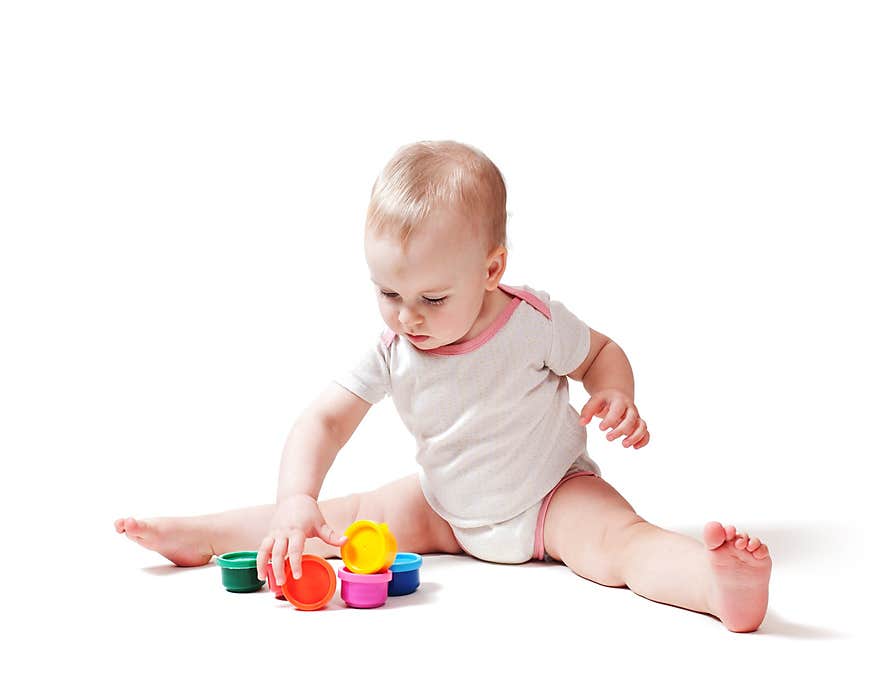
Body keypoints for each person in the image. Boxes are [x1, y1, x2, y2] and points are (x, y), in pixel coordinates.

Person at [115, 139, 771, 632]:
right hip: (445, 509)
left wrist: (616, 391)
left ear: (492, 268)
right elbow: (323, 421)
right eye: (388, 292)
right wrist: (295, 496)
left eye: (431, 296)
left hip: (550, 498)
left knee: (621, 544)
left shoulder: (531, 321)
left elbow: (601, 351)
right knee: (327, 516)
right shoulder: (394, 347)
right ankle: (205, 535)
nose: (407, 315)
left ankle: (716, 585)